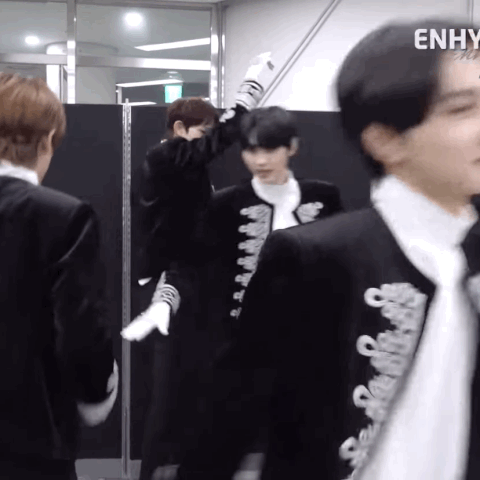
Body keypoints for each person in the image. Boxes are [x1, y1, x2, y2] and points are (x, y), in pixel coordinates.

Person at [173, 18, 480, 480]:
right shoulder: (316, 257)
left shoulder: (326, 202)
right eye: (461, 109)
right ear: (385, 139)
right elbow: (226, 424)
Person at [123, 54, 277, 480]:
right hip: (171, 283)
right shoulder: (166, 157)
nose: (208, 142)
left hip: (188, 283)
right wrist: (249, 90)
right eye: (202, 132)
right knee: (169, 391)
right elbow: (219, 141)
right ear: (179, 129)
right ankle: (152, 472)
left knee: (189, 386)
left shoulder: (177, 167)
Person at [0, 73, 118, 480]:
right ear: (48, 139)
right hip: (30, 438)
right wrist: (98, 391)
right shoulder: (62, 216)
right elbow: (80, 329)